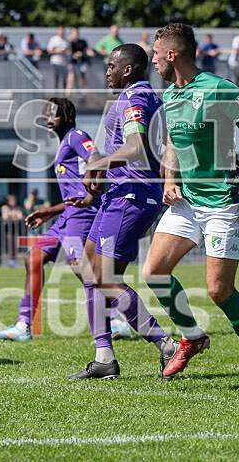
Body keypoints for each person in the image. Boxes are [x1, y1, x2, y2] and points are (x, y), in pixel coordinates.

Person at [148, 23, 239, 390]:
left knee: (219, 290)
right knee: (154, 271)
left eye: (156, 54)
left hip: (223, 203)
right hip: (188, 202)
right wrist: (170, 179)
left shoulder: (218, 88)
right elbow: (173, 142)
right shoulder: (171, 95)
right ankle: (192, 336)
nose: (153, 60)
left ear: (171, 54)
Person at [69, 44, 180, 380]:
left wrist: (98, 165)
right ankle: (104, 357)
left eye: (111, 66)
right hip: (119, 194)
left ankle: (166, 344)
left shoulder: (135, 97)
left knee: (104, 278)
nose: (107, 72)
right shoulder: (142, 97)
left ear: (128, 69)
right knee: (88, 268)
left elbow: (135, 147)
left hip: (132, 196)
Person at [0, 98, 131, 342]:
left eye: (53, 115)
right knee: (34, 258)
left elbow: (96, 159)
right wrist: (50, 211)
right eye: (46, 115)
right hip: (67, 216)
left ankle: (117, 319)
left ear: (67, 116)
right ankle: (24, 325)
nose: (48, 120)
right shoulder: (64, 142)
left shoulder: (76, 136)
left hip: (81, 215)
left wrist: (90, 195)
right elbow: (72, 193)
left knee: (81, 267)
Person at [0, 194, 25, 268]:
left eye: (14, 200)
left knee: (15, 244)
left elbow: (20, 217)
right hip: (7, 229)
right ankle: (9, 260)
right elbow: (5, 217)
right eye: (11, 200)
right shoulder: (5, 207)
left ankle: (14, 260)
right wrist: (14, 215)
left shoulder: (17, 208)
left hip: (15, 228)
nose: (13, 202)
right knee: (9, 245)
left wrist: (11, 215)